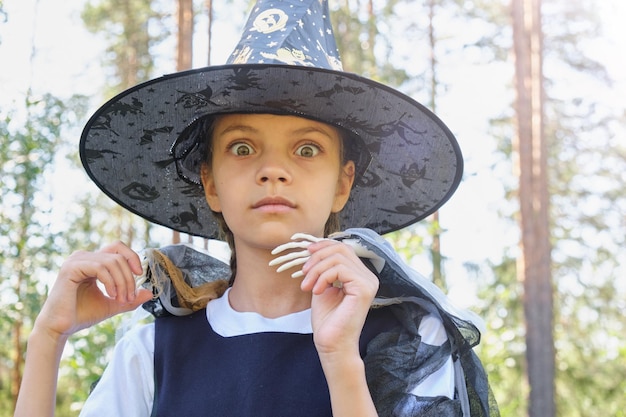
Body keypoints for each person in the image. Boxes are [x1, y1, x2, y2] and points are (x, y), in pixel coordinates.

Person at [15, 1, 499, 416]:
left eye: (307, 150)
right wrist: (48, 337)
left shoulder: (410, 344)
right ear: (210, 182)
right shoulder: (153, 350)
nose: (273, 170)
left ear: (342, 184)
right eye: (242, 149)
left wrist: (339, 358)